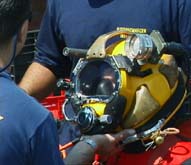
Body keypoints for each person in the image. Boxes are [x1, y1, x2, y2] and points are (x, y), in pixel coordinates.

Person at [18, 0, 191, 163]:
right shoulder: (62, 3)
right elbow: (49, 61)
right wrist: (15, 99)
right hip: (86, 140)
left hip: (159, 145)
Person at [0, 0, 135, 164]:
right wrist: (20, 110)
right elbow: (49, 60)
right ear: (23, 31)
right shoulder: (34, 120)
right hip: (82, 133)